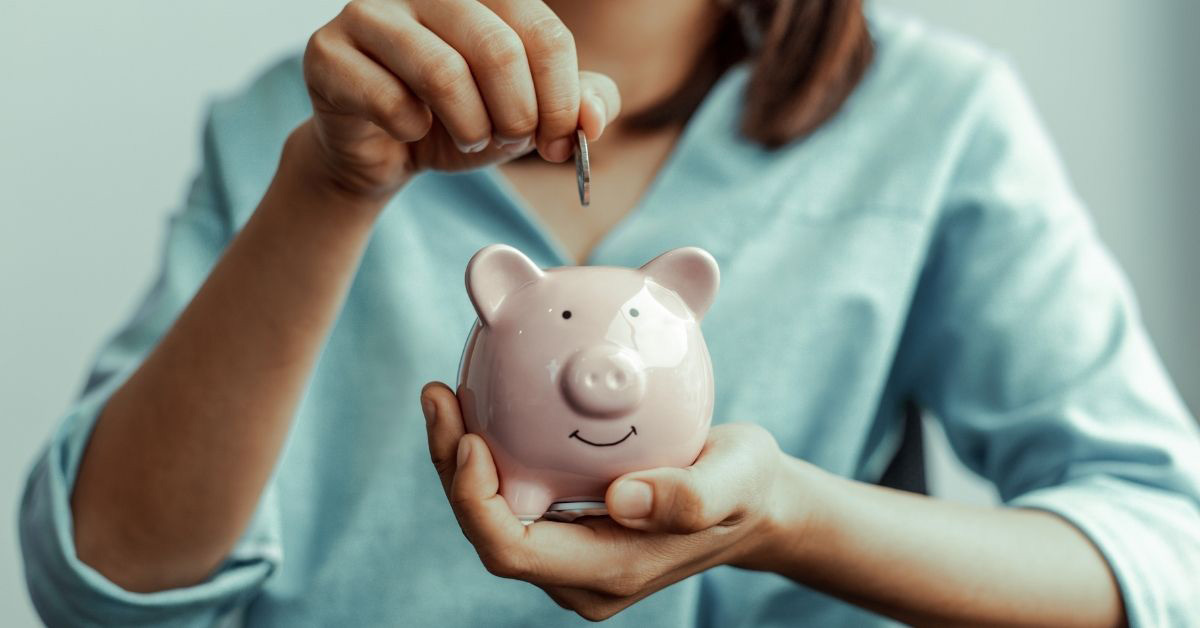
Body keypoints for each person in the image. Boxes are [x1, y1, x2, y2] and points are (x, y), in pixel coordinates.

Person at [19, 0, 1200, 625]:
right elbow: (105, 583)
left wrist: (792, 514)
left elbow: (1165, 554)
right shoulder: (293, 132)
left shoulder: (936, 123)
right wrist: (328, 190)